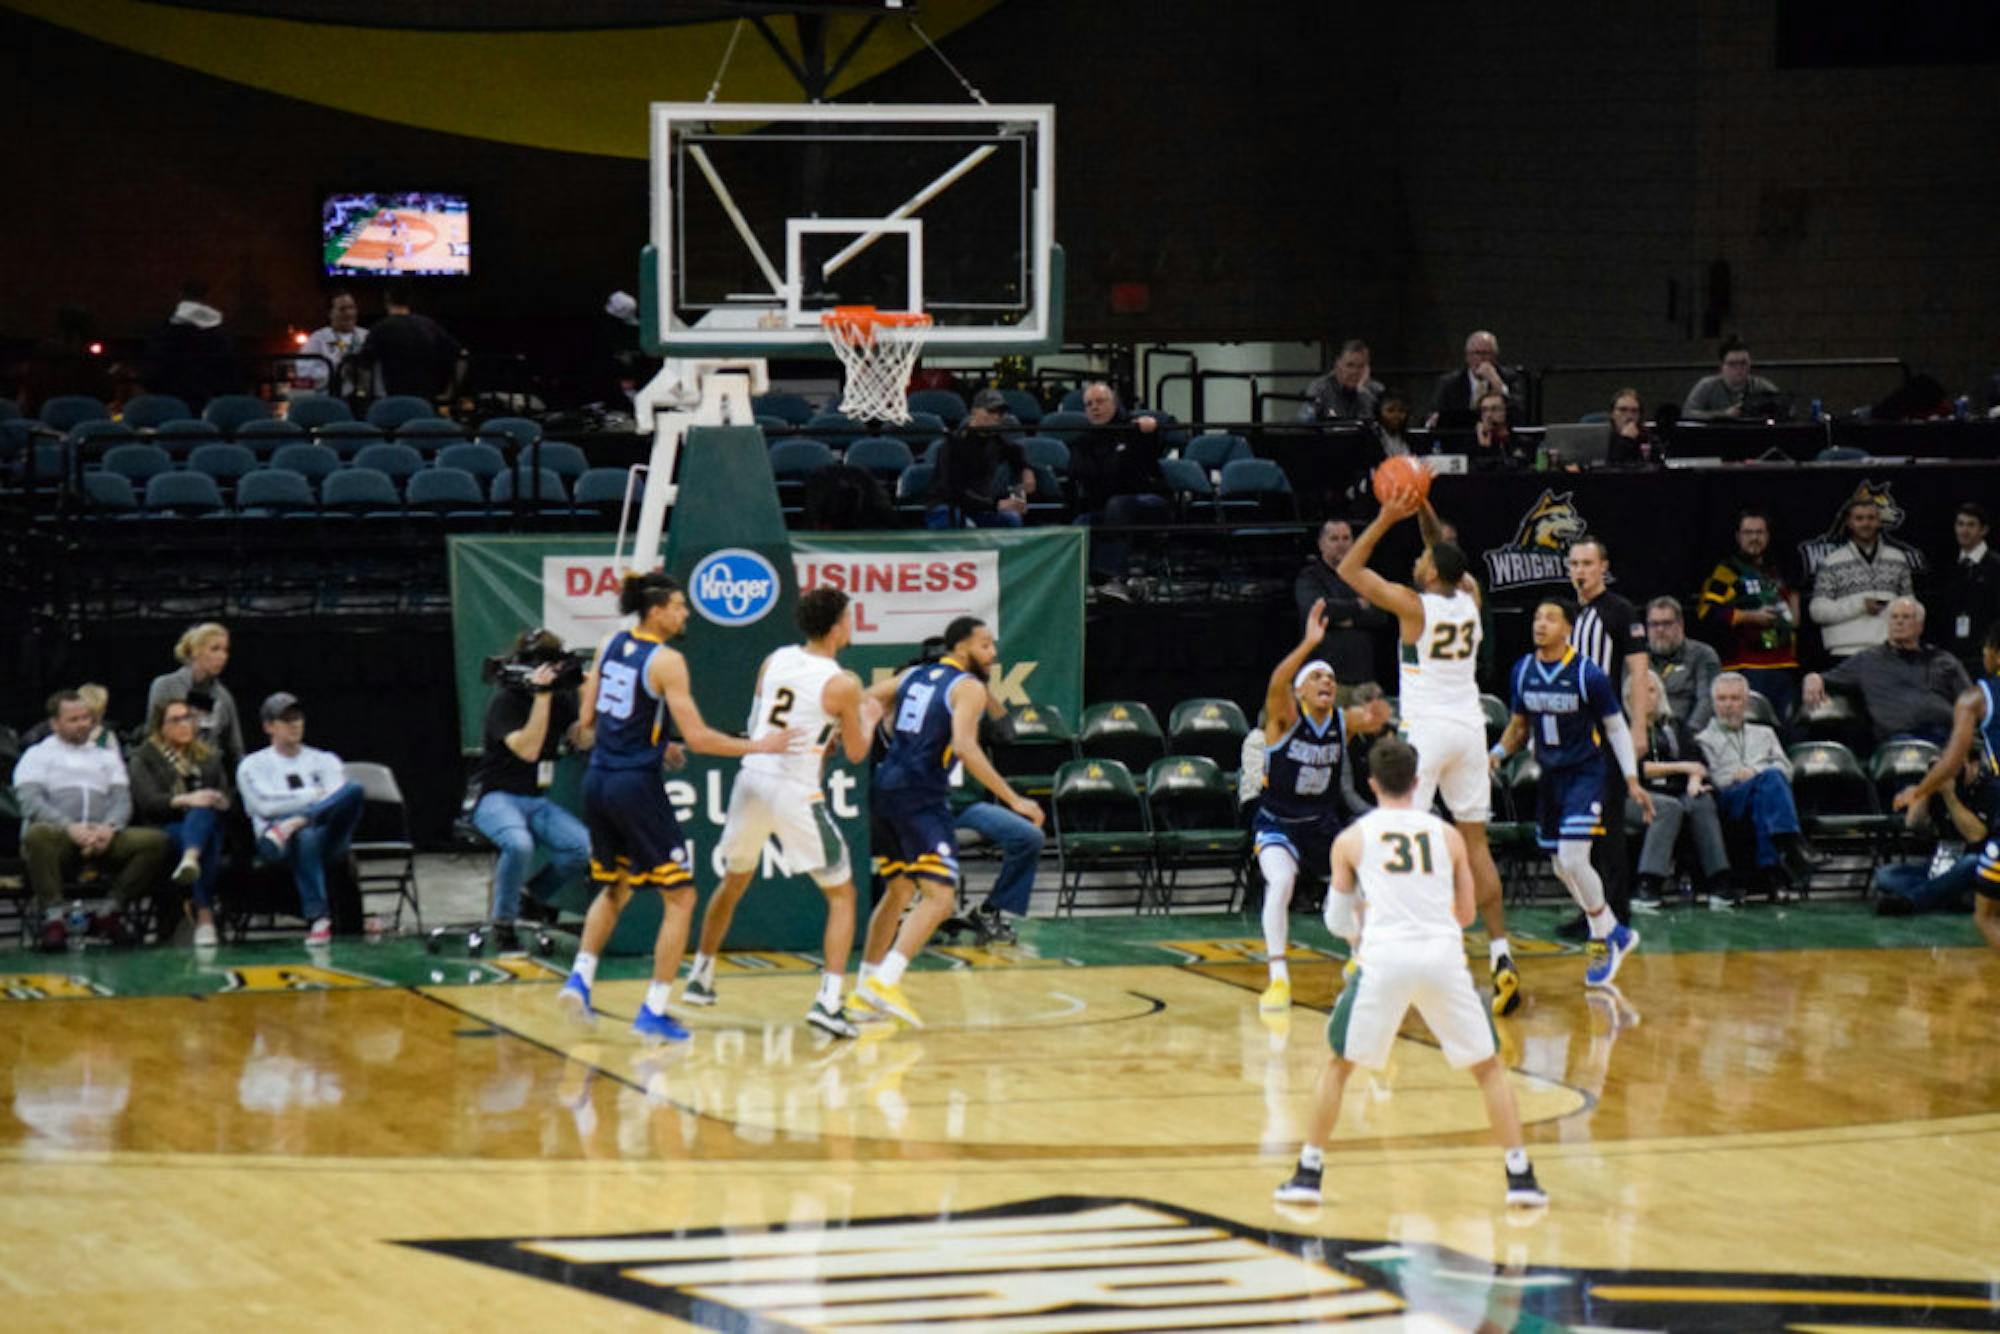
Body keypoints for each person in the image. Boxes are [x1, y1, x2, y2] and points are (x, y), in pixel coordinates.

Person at [1273, 737, 1547, 1209]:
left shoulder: (1352, 839)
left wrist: (1361, 916)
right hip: (1442, 956)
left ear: (1372, 783)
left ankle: (1308, 1172)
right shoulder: (1449, 836)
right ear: (1418, 782)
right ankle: (1520, 1177)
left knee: (1339, 1065)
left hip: (1385, 959)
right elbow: (1465, 914)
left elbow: (1337, 922)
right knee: (1488, 1069)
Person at [556, 573, 792, 1041]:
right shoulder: (667, 661)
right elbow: (701, 737)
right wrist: (761, 746)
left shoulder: (609, 643)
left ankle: (579, 980)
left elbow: (588, 721)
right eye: (680, 606)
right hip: (634, 787)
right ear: (657, 609)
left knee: (615, 888)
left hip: (598, 777)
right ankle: (654, 1010)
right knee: (681, 897)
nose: (686, 613)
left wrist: (654, 742)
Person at [1337, 488, 1522, 1016]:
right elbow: (1440, 547)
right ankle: (1502, 955)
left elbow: (1351, 569)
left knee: (1395, 837)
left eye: (1420, 559)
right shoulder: (1470, 596)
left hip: (1429, 732)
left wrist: (1384, 517)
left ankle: (1379, 954)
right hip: (1470, 728)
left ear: (1430, 573)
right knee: (1476, 844)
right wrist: (1421, 504)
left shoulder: (1412, 606)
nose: (1416, 560)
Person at [683, 588, 883, 1037]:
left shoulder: (773, 659)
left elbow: (760, 724)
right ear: (836, 626)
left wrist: (822, 733)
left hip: (752, 777)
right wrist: (867, 716)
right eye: (849, 618)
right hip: (794, 790)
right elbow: (855, 752)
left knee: (733, 882)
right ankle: (830, 1002)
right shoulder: (844, 683)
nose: (851, 625)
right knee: (842, 895)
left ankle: (700, 976)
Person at [850, 617, 1045, 1027]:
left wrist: (870, 721)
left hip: (885, 788)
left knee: (899, 890)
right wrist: (1014, 799)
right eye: (986, 646)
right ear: (961, 648)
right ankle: (885, 981)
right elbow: (965, 747)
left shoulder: (913, 676)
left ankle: (864, 992)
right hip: (922, 795)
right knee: (939, 899)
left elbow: (865, 698)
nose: (994, 655)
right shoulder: (968, 687)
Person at [1489, 598, 1653, 987]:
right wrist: (1495, 753)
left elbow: (1615, 728)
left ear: (1568, 629)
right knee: (1562, 867)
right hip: (1550, 775)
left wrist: (1631, 779)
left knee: (1573, 857)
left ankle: (1602, 938)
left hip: (1586, 773)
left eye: (1550, 618)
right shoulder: (1523, 670)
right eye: (1536, 616)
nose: (1540, 624)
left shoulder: (1587, 674)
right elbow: (1518, 726)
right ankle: (1615, 930)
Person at [1249, 600, 1393, 1014]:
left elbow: (1374, 719)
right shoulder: (1282, 720)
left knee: (1362, 881)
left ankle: (1359, 959)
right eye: (1316, 678)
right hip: (1278, 821)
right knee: (1280, 883)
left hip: (1322, 823)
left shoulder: (1341, 721)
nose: (1326, 683)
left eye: (1330, 678)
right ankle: (1278, 979)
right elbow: (1277, 680)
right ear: (1300, 691)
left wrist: (1381, 716)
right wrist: (1309, 643)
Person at [14, 690, 175, 952]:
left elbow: (122, 800)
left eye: (86, 718)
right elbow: (31, 802)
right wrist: (70, 828)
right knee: (36, 834)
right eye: (74, 719)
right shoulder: (37, 755)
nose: (83, 724)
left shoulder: (106, 757)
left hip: (102, 836)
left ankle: (109, 912)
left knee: (156, 841)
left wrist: (109, 828)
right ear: (55, 723)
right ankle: (54, 919)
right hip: (60, 837)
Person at [468, 628, 592, 952]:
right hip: (495, 797)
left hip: (536, 800)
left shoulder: (562, 698)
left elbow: (584, 740)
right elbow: (529, 750)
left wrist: (590, 697)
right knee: (519, 845)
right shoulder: (505, 701)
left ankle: (530, 898)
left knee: (582, 848)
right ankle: (503, 923)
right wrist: (541, 697)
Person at [1889, 622, 2000, 946]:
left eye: (1985, 651)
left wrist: (1918, 790)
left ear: (1994, 653)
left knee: (1986, 916)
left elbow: (1952, 760)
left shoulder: (1976, 697)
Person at [1566, 535, 1649, 931]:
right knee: (1582, 827)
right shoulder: (1573, 614)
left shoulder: (1618, 610)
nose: (1580, 571)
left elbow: (1638, 671)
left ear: (1603, 567)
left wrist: (1638, 728)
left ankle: (1616, 910)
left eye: (1587, 563)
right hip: (1575, 733)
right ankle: (1591, 911)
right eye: (1575, 564)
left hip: (1606, 731)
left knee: (1607, 825)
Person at [236, 693, 365, 946]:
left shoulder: (324, 760)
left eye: (297, 718)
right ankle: (318, 918)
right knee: (305, 836)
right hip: (275, 842)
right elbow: (263, 805)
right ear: (269, 726)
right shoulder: (253, 765)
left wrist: (297, 816)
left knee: (355, 790)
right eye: (286, 719)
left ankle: (298, 823)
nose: (295, 724)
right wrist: (311, 795)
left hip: (327, 836)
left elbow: (338, 798)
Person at [1697, 673, 1819, 891]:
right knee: (1770, 780)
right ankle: (1792, 844)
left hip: (1760, 795)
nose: (1728, 705)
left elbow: (1786, 769)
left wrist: (1754, 771)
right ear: (1713, 702)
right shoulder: (1703, 739)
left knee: (1767, 790)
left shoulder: (1765, 733)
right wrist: (1755, 774)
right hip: (1729, 799)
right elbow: (1716, 779)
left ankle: (1771, 870)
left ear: (1745, 702)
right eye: (1722, 699)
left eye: (1734, 699)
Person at [127, 697, 233, 947]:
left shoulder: (209, 756)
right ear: (160, 727)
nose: (185, 724)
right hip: (167, 826)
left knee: (204, 814)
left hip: (211, 823)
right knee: (202, 825)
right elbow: (149, 801)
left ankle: (190, 859)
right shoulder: (144, 758)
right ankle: (205, 916)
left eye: (188, 718)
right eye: (176, 720)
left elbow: (227, 793)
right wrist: (187, 798)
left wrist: (219, 799)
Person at [1803, 597, 1970, 747]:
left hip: (1946, 735)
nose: (1899, 622)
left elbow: (1971, 700)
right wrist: (1812, 677)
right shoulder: (1868, 660)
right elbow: (1827, 677)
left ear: (1920, 626)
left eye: (1906, 617)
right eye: (1894, 617)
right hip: (1900, 740)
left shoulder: (1943, 660)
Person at [1628, 670, 1731, 910]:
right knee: (1667, 808)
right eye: (1640, 692)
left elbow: (1697, 761)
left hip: (1676, 791)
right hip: (1631, 794)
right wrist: (1683, 767)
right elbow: (1636, 768)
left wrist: (1695, 778)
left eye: (1652, 690)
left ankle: (1718, 882)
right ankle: (1648, 884)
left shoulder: (1674, 726)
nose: (1647, 696)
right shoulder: (1622, 726)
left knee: (1701, 801)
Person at [1696, 509, 1803, 723]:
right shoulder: (1727, 571)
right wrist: (1750, 617)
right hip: (1747, 668)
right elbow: (1707, 612)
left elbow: (1794, 611)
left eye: (1760, 532)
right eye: (1748, 532)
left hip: (1785, 667)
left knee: (1786, 731)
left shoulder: (1778, 570)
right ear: (1738, 537)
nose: (1754, 538)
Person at [1070, 381, 1167, 596]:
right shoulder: (1082, 443)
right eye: (1089, 404)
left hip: (1147, 502)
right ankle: (1083, 584)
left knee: (1117, 505)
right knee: (1082, 522)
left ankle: (1113, 578)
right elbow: (1082, 477)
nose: (1094, 407)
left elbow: (1153, 454)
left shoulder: (1134, 429)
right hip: (1108, 506)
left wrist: (1150, 431)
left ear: (1114, 404)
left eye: (1100, 401)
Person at [1294, 517, 1393, 701]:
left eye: (1346, 538)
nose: (1341, 544)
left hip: (1365, 681)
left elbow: (1381, 615)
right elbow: (1318, 612)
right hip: (1326, 682)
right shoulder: (1309, 577)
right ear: (1321, 544)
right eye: (1334, 539)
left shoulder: (1364, 576)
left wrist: (1342, 617)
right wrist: (1358, 605)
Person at [1809, 496, 1915, 659]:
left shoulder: (1897, 559)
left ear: (1879, 521)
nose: (1866, 523)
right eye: (1859, 518)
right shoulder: (1832, 562)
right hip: (1845, 652)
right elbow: (1818, 611)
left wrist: (1893, 608)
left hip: (1891, 649)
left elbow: (1912, 606)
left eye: (1871, 518)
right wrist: (1860, 606)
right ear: (1849, 523)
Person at [146, 622, 247, 777]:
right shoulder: (166, 686)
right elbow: (153, 735)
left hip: (210, 776)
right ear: (195, 652)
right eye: (215, 649)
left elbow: (236, 748)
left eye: (225, 650)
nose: (222, 656)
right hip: (169, 774)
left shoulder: (223, 696)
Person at [928, 388, 1033, 529]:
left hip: (981, 508)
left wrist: (1026, 472)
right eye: (991, 411)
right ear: (974, 412)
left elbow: (1017, 453)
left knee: (1011, 519)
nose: (997, 417)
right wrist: (997, 505)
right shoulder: (954, 445)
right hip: (949, 507)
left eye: (1000, 413)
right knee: (954, 520)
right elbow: (954, 492)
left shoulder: (996, 441)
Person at [141, 279, 238, 412]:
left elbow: (153, 370)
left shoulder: (164, 332)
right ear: (206, 298)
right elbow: (229, 370)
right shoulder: (219, 334)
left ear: (180, 296)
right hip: (209, 399)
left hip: (170, 399)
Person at [356, 283, 464, 401]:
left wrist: (367, 397)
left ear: (387, 299)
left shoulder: (380, 328)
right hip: (426, 402)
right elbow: (462, 357)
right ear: (410, 300)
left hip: (393, 403)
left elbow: (364, 367)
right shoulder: (429, 326)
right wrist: (450, 393)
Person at [1936, 502, 2000, 675]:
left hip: (1987, 657)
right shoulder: (1948, 567)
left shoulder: (1996, 566)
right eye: (1960, 524)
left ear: (1984, 530)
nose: (1964, 530)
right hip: (1952, 657)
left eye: (1971, 525)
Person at [1646, 596, 1720, 731]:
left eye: (1667, 623)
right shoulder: (1637, 659)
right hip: (1647, 736)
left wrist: (1688, 735)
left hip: (1691, 734)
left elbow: (1707, 700)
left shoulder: (1703, 654)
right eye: (1654, 624)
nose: (1660, 630)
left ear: (1681, 624)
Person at [1428, 329, 1519, 428]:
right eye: (1476, 353)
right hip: (1460, 437)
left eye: (1486, 353)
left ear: (1495, 356)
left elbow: (1518, 413)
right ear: (1467, 357)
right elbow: (1433, 414)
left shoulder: (1508, 377)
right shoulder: (1450, 383)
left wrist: (1497, 383)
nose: (1481, 359)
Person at [1682, 336, 1783, 421]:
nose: (1739, 368)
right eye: (1732, 364)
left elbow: (1784, 409)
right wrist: (1723, 414)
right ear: (1721, 366)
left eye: (1743, 363)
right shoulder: (1707, 386)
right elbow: (1687, 413)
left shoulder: (1761, 386)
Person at [298, 292, 368, 395]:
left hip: (364, 399)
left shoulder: (366, 336)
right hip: (330, 398)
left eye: (352, 308)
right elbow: (304, 372)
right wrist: (338, 370)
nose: (349, 313)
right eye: (342, 309)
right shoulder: (318, 339)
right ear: (330, 313)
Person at [1300, 339, 1383, 423]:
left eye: (1361, 366)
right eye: (1350, 365)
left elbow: (1377, 427)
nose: (1355, 371)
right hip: (1329, 435)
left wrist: (1363, 393)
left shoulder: (1376, 389)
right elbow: (1305, 422)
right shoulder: (1320, 387)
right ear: (1338, 364)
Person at [1603, 388, 1662, 466]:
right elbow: (1610, 466)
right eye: (1623, 410)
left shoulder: (1648, 437)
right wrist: (1626, 440)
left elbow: (1658, 466)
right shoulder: (1603, 438)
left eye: (1634, 411)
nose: (1629, 416)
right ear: (1612, 414)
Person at [1468, 390, 1524, 468]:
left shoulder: (1518, 439)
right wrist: (1484, 446)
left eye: (1494, 409)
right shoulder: (1472, 441)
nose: (1488, 415)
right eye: (1484, 410)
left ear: (1506, 412)